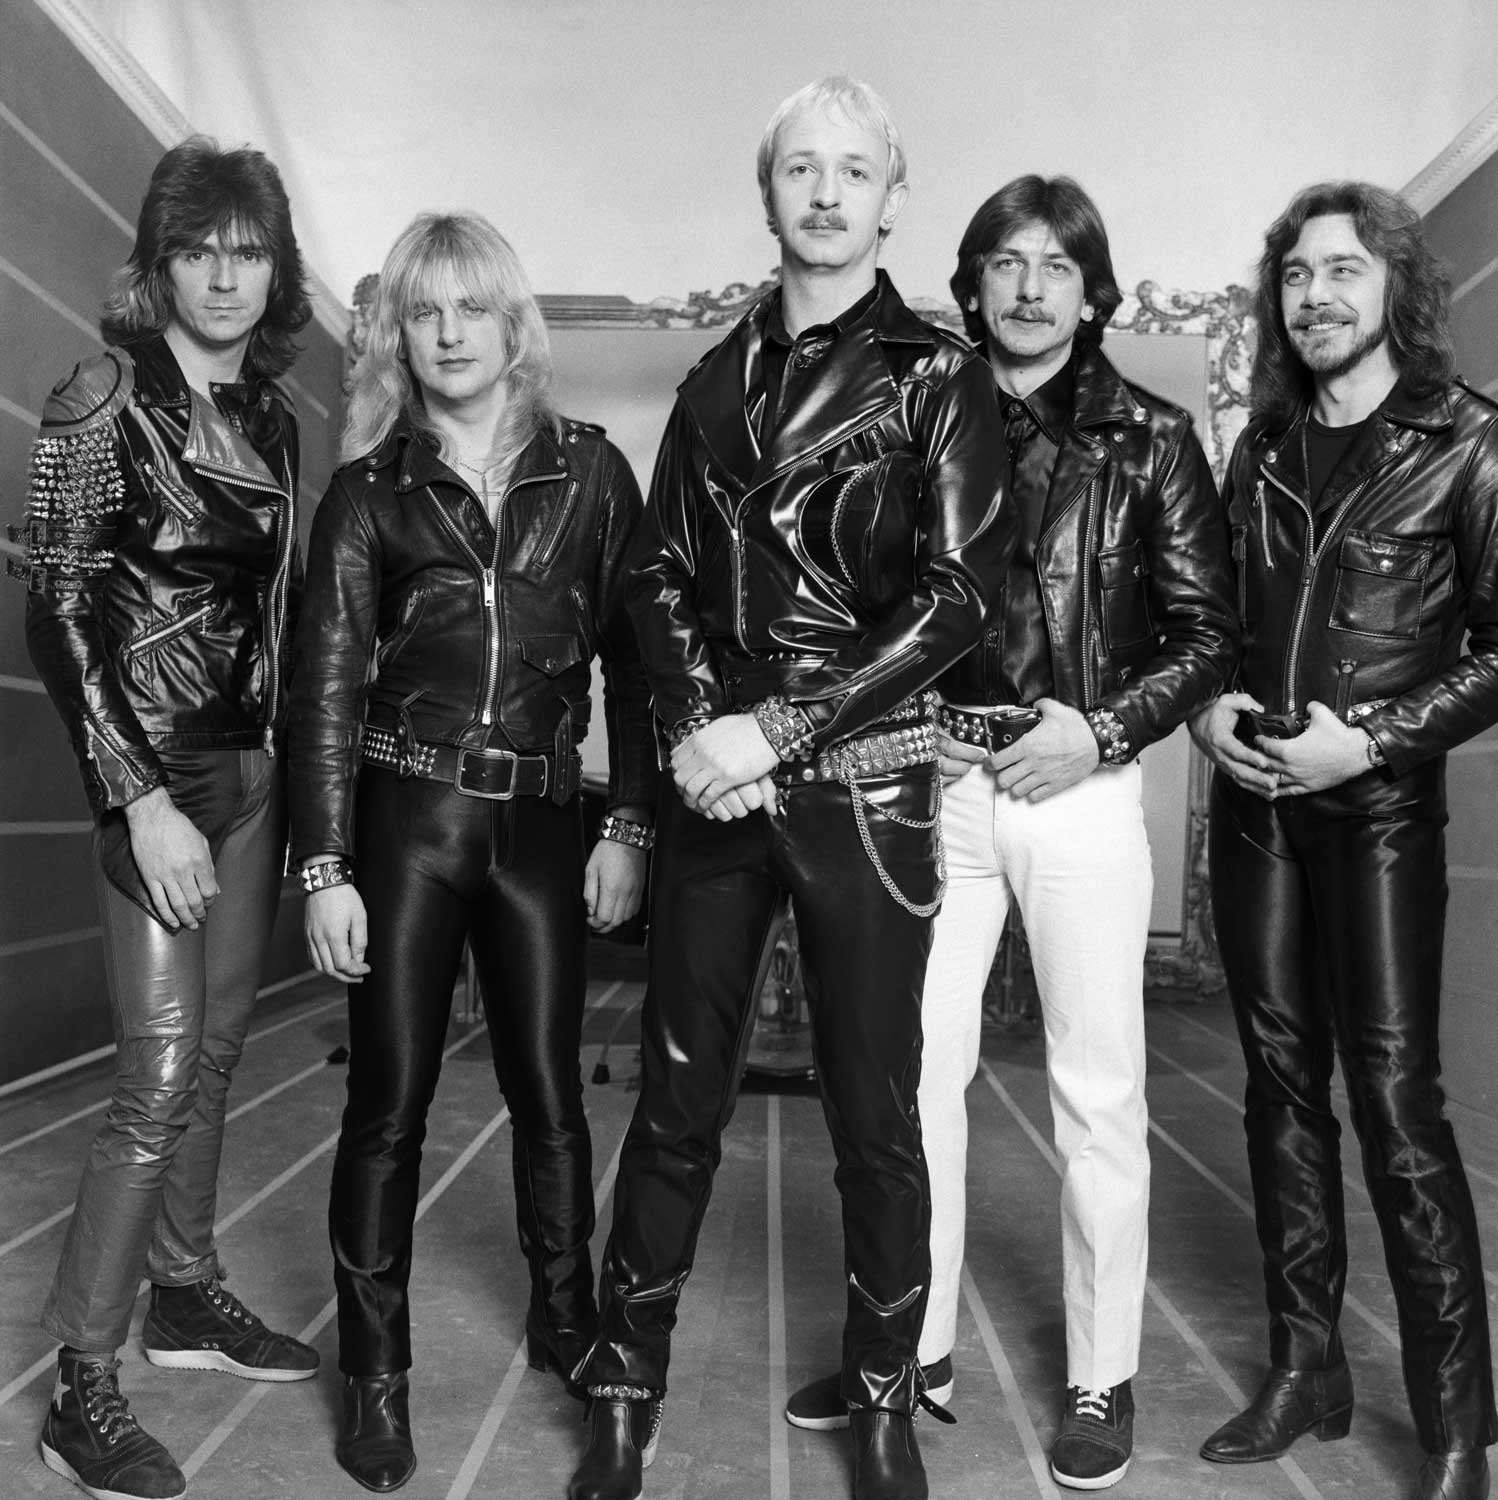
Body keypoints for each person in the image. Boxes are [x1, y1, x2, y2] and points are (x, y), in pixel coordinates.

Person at [567, 76, 1013, 1500]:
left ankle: (882, 1400)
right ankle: (623, 1384)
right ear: (766, 193)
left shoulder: (939, 378)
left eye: (852, 170)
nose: (824, 193)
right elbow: (652, 572)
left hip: (863, 792)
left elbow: (958, 600)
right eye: (800, 169)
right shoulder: (710, 383)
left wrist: (776, 728)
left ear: (893, 196)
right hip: (720, 789)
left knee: (876, 1114)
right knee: (674, 1100)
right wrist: (699, 727)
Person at [785, 174, 1238, 1490]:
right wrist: (900, 721)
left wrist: (1098, 730)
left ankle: (1100, 1374)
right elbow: (867, 605)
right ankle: (909, 1351)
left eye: (1056, 267)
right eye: (1005, 262)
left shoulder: (1151, 439)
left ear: (1091, 294)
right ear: (972, 284)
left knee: (1096, 1090)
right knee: (911, 1074)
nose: (1030, 287)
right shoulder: (912, 419)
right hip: (936, 787)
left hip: (1079, 788)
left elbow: (1208, 634)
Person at [287, 211, 655, 1494]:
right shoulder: (367, 494)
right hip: (407, 824)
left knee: (552, 1097)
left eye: (471, 308)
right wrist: (324, 867)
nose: (449, 334)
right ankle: (374, 1374)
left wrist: (630, 823)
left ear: (513, 324)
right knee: (385, 1107)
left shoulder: (592, 476)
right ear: (399, 335)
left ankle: (565, 1321)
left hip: (543, 826)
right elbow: (324, 691)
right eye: (423, 313)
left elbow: (637, 671)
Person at [14, 138, 319, 1500]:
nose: (224, 276)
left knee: (216, 1060)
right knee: (155, 1080)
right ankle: (81, 1389)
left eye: (247, 251)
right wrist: (135, 797)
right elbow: (56, 606)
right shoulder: (101, 398)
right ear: (160, 262)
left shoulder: (276, 419)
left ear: (275, 269)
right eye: (199, 249)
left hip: (247, 780)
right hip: (156, 783)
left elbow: (273, 617)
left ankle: (185, 1293)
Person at [1190, 181, 1498, 1500]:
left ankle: (1457, 1429)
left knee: (1394, 1103)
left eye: (1342, 271)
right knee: (1276, 1089)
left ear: (1393, 291)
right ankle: (1306, 1370)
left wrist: (1367, 743)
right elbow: (1210, 621)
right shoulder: (1258, 448)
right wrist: (1207, 706)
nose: (1314, 296)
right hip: (1255, 807)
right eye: (1296, 275)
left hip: (1375, 811)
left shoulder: (1467, 443)